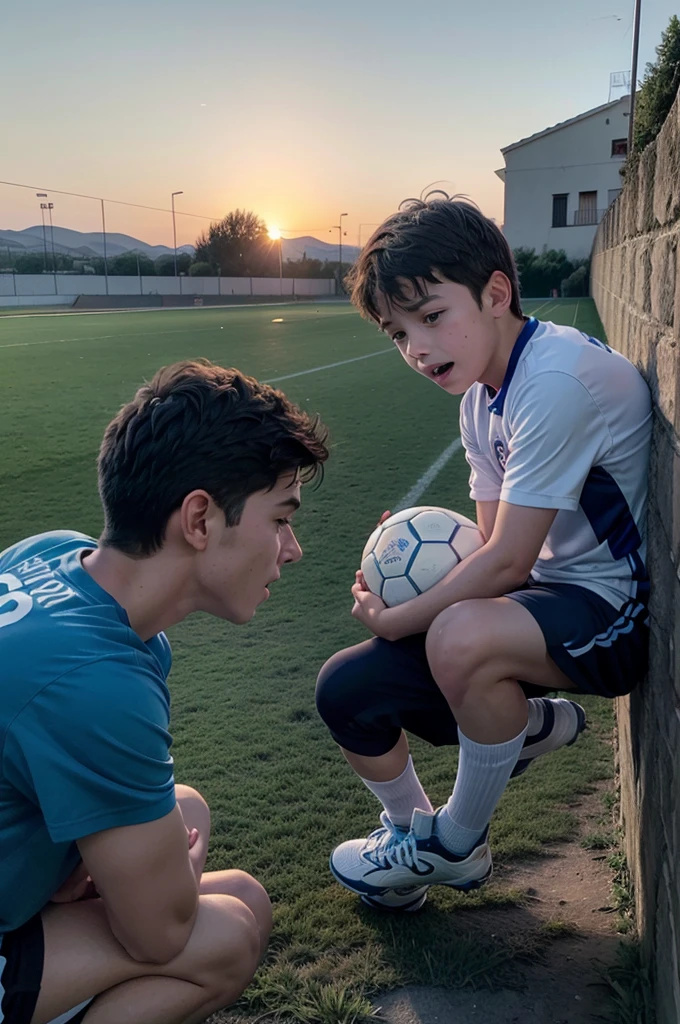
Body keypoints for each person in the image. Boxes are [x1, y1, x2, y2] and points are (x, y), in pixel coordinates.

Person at [316, 195, 652, 912]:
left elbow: (503, 565)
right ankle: (415, 833)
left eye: (431, 317)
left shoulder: (553, 381)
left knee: (456, 632)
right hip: (541, 602)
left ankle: (456, 845)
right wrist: (412, 587)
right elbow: (496, 549)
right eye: (398, 333)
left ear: (496, 293)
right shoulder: (479, 400)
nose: (416, 348)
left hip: (612, 612)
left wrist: (399, 620)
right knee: (346, 689)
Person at [0, 360, 329, 1024]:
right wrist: (167, 886)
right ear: (200, 519)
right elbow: (159, 935)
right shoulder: (95, 681)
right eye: (279, 519)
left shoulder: (53, 555)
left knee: (211, 844)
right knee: (223, 937)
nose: (291, 550)